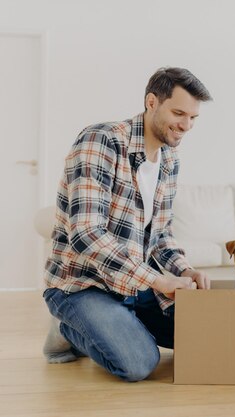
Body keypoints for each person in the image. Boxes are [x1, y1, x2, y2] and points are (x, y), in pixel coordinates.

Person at [42, 67, 212, 382]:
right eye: (178, 113)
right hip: (83, 285)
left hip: (134, 284)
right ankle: (67, 326)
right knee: (138, 363)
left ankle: (119, 323)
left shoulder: (170, 159)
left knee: (202, 333)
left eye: (193, 118)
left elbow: (160, 235)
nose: (186, 126)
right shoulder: (101, 141)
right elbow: (86, 235)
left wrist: (183, 271)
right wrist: (159, 282)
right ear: (151, 102)